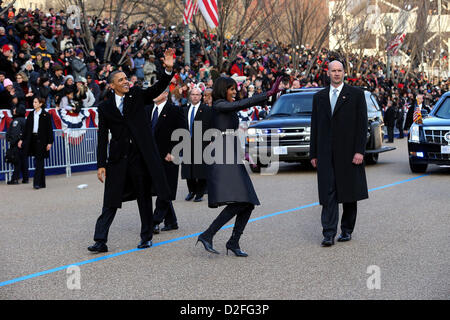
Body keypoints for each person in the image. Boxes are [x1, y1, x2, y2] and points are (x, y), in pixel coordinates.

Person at [87, 49, 175, 253]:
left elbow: (156, 89)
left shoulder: (136, 95)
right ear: (112, 85)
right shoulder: (105, 107)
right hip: (118, 160)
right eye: (121, 79)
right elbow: (102, 138)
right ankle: (100, 240)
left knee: (144, 198)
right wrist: (101, 164)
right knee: (109, 200)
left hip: (139, 158)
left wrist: (168, 70)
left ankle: (146, 237)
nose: (126, 81)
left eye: (126, 78)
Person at [196, 75, 283, 257]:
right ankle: (207, 235)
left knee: (248, 202)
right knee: (242, 201)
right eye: (232, 89)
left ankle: (232, 242)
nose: (235, 92)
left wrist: (244, 154)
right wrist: (267, 93)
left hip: (230, 154)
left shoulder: (226, 108)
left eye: (236, 89)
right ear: (222, 90)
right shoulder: (219, 104)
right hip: (222, 157)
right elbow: (241, 105)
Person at [310, 60, 368, 247]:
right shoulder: (319, 97)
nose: (336, 74)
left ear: (344, 72)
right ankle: (328, 233)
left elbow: (362, 126)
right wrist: (314, 154)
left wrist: (360, 151)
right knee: (328, 194)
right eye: (333, 71)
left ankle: (346, 230)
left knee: (349, 193)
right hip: (326, 154)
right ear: (327, 73)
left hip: (349, 153)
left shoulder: (356, 95)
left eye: (339, 70)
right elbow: (315, 127)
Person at [146, 88, 186, 233]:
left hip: (168, 157)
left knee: (165, 189)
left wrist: (174, 152)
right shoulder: (148, 109)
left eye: (156, 91)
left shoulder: (175, 110)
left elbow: (183, 133)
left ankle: (155, 221)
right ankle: (172, 221)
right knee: (160, 189)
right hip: (151, 156)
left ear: (165, 94)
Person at [181, 87, 212, 203]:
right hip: (187, 142)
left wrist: (211, 139)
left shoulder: (206, 110)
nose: (195, 96)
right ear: (190, 96)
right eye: (193, 94)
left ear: (201, 96)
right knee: (188, 169)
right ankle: (191, 191)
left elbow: (212, 125)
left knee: (201, 169)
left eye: (197, 95)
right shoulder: (184, 110)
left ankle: (199, 193)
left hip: (202, 143)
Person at [18, 97, 54, 189]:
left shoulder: (46, 115)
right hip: (32, 139)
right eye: (33, 102)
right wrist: (22, 139)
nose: (33, 104)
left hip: (42, 140)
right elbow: (26, 128)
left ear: (40, 104)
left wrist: (50, 142)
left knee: (39, 161)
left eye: (35, 102)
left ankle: (36, 183)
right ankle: (42, 183)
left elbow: (50, 130)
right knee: (39, 161)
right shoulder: (30, 114)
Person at [6, 103, 28, 184]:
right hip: (24, 144)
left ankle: (15, 179)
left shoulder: (16, 121)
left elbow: (15, 133)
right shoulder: (24, 120)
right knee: (24, 162)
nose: (14, 110)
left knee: (17, 162)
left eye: (16, 109)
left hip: (16, 144)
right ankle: (25, 178)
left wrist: (12, 142)